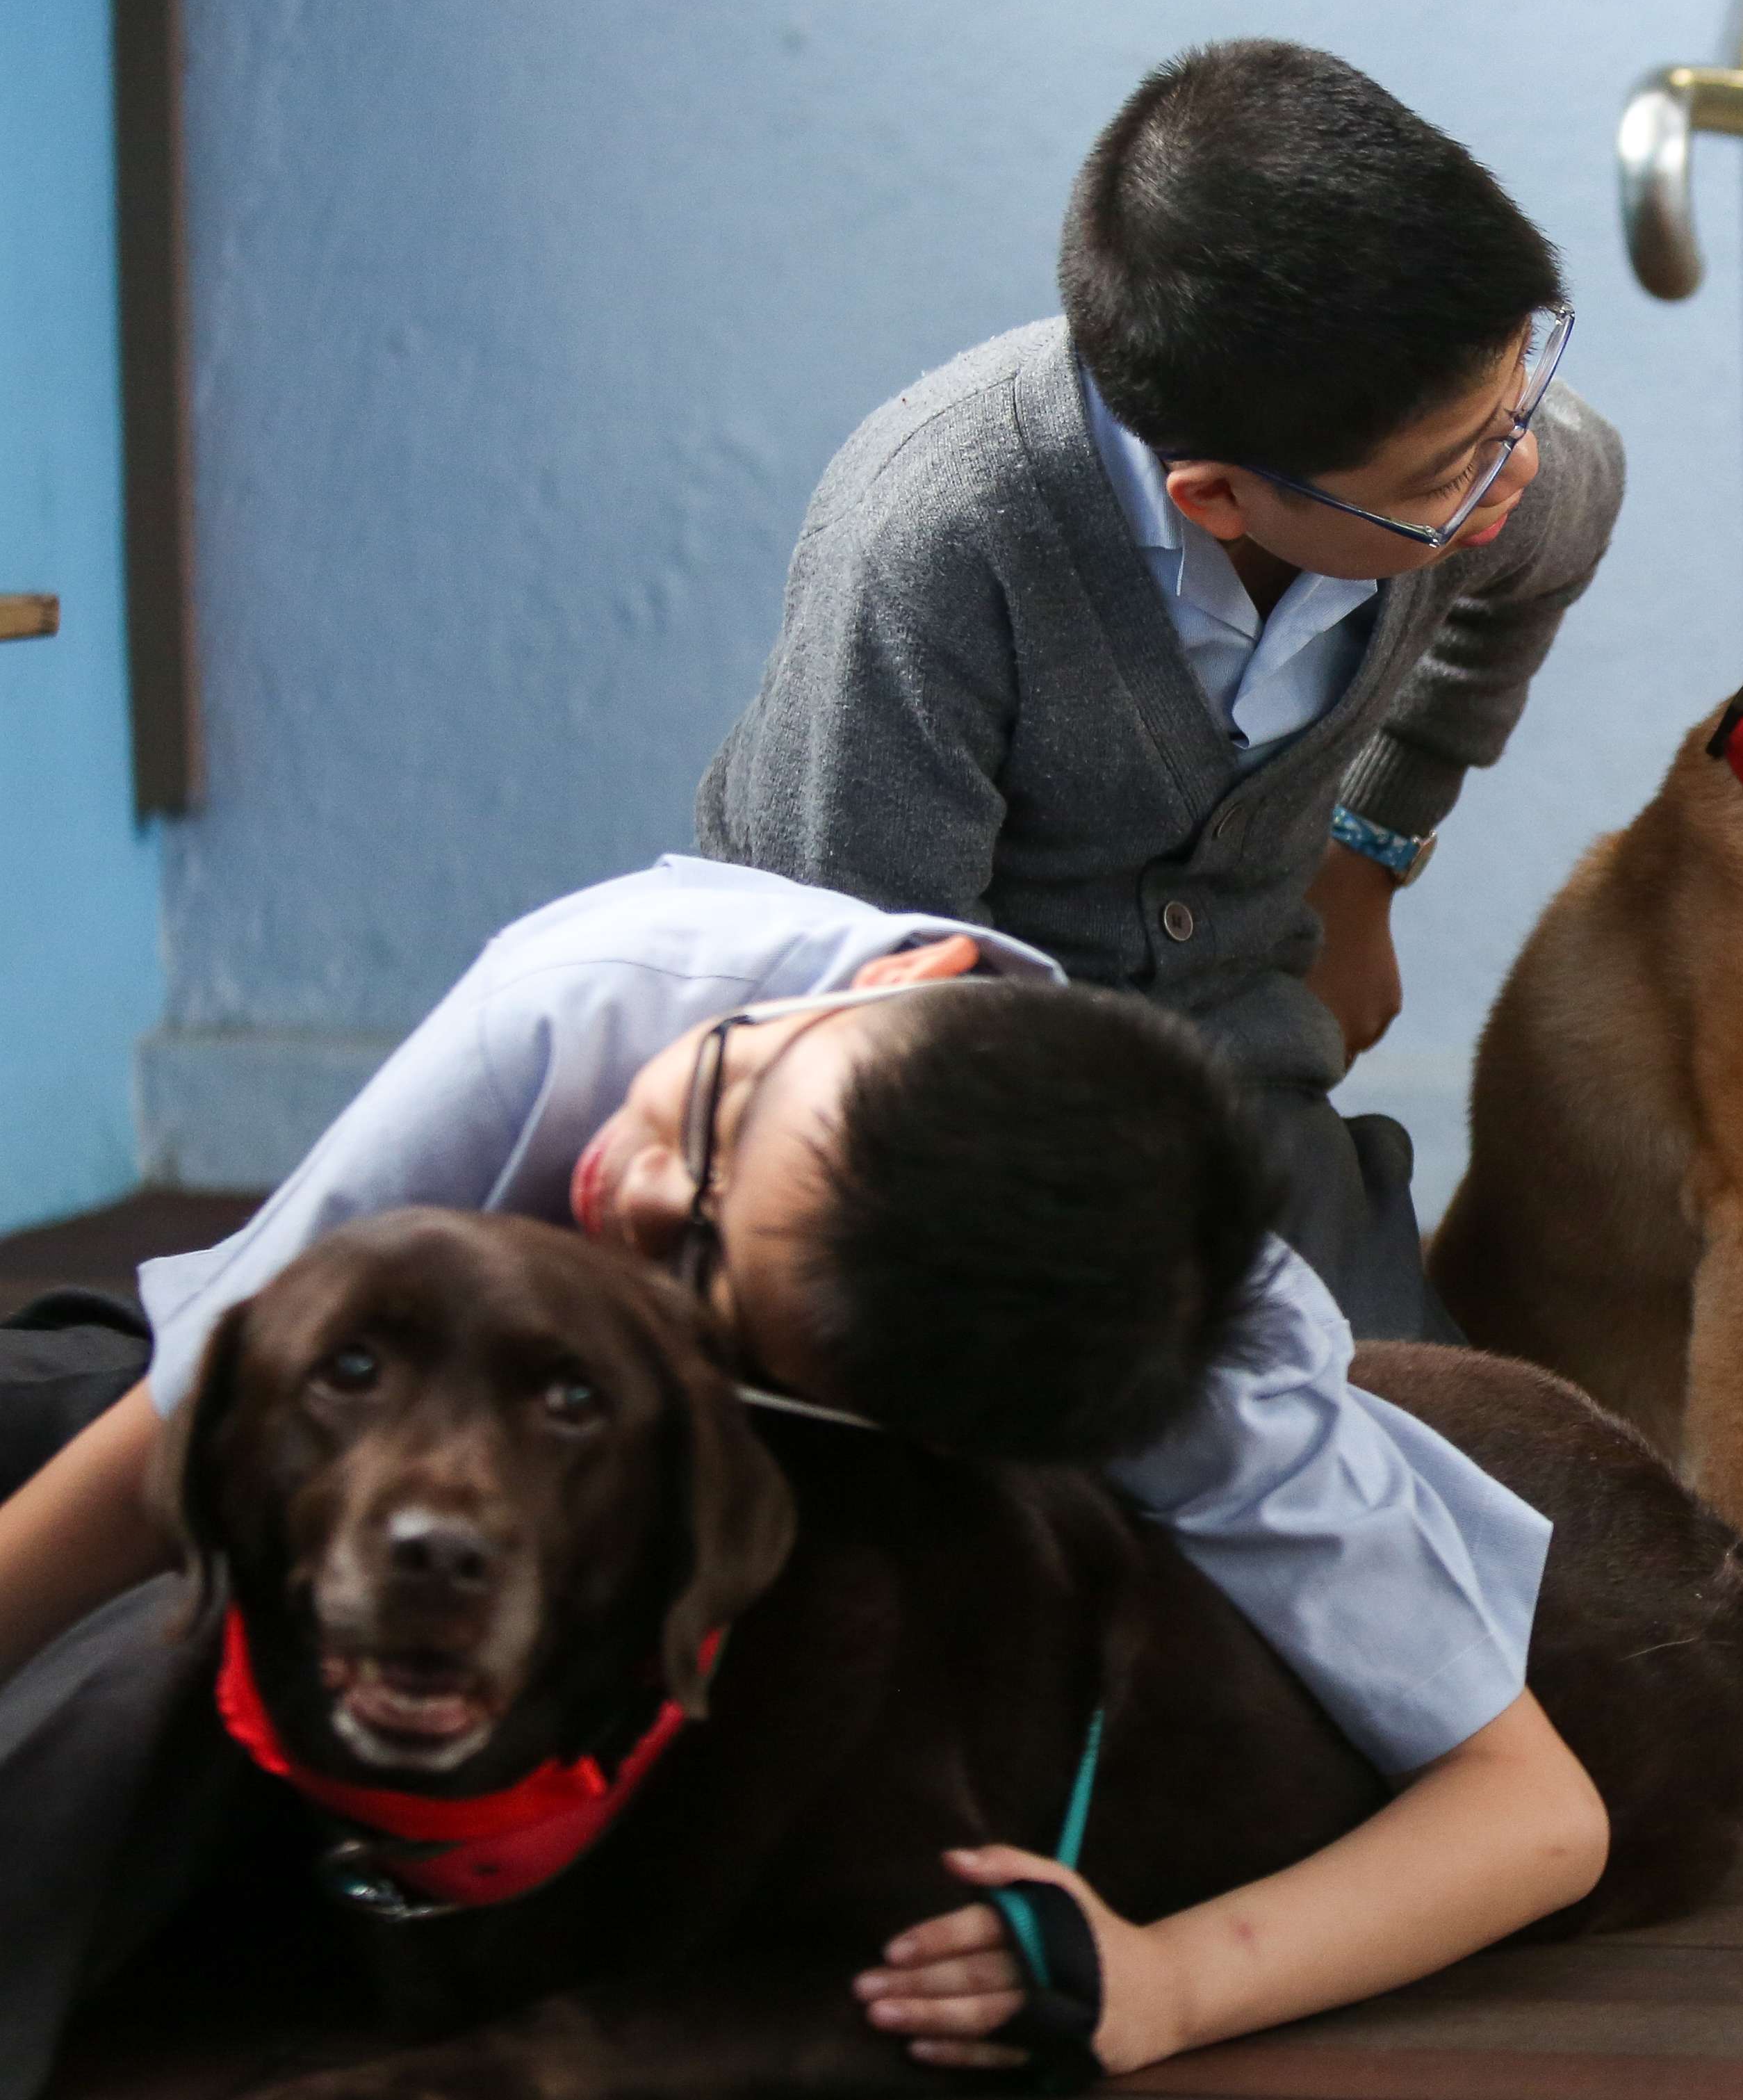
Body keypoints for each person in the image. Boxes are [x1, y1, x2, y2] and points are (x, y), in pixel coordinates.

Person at [0, 857, 1603, 2092]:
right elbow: (186, 1408)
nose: (627, 1180)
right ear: (912, 976)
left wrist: (1167, 1985)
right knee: (73, 1431)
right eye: (723, 1107)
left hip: (602, 1539)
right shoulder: (608, 991)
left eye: (695, 1267)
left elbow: (1536, 1816)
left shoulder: (1207, 1377)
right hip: (331, 1386)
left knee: (157, 1672)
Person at [696, 40, 1623, 1346]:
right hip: (931, 1120)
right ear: (1217, 496)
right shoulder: (939, 540)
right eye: (1454, 472)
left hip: (1242, 1081)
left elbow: (1562, 527)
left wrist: (1367, 856)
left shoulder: (1480, 465)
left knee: (1452, 1486)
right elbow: (863, 1004)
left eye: (1522, 389)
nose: (1516, 469)